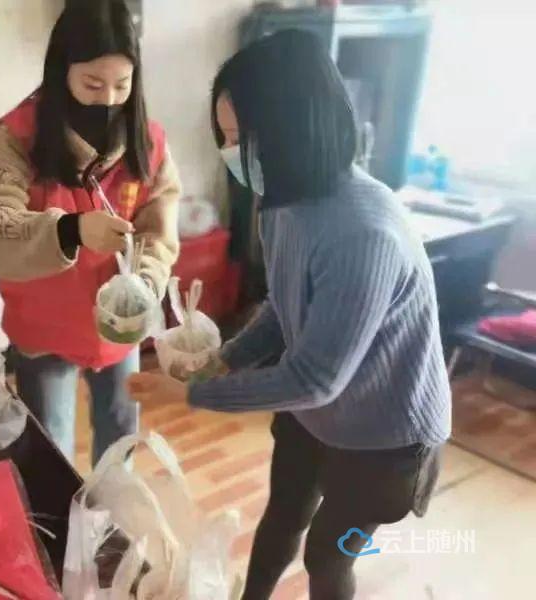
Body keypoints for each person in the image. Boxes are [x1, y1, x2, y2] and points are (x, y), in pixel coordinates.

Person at [128, 30, 451, 600]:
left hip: (387, 439)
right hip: (317, 415)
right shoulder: (281, 202)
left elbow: (314, 379)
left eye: (240, 138)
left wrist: (193, 395)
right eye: (225, 138)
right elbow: (284, 306)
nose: (230, 153)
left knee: (327, 555)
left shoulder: (362, 232)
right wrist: (224, 362)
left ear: (293, 127)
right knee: (283, 515)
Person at [0, 0, 180, 465]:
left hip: (117, 326)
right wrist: (71, 230)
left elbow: (158, 228)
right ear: (62, 73)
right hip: (44, 328)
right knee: (51, 452)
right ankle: (60, 514)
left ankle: (110, 507)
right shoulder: (17, 139)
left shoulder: (148, 140)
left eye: (122, 85)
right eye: (92, 84)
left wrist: (144, 283)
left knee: (120, 440)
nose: (108, 100)